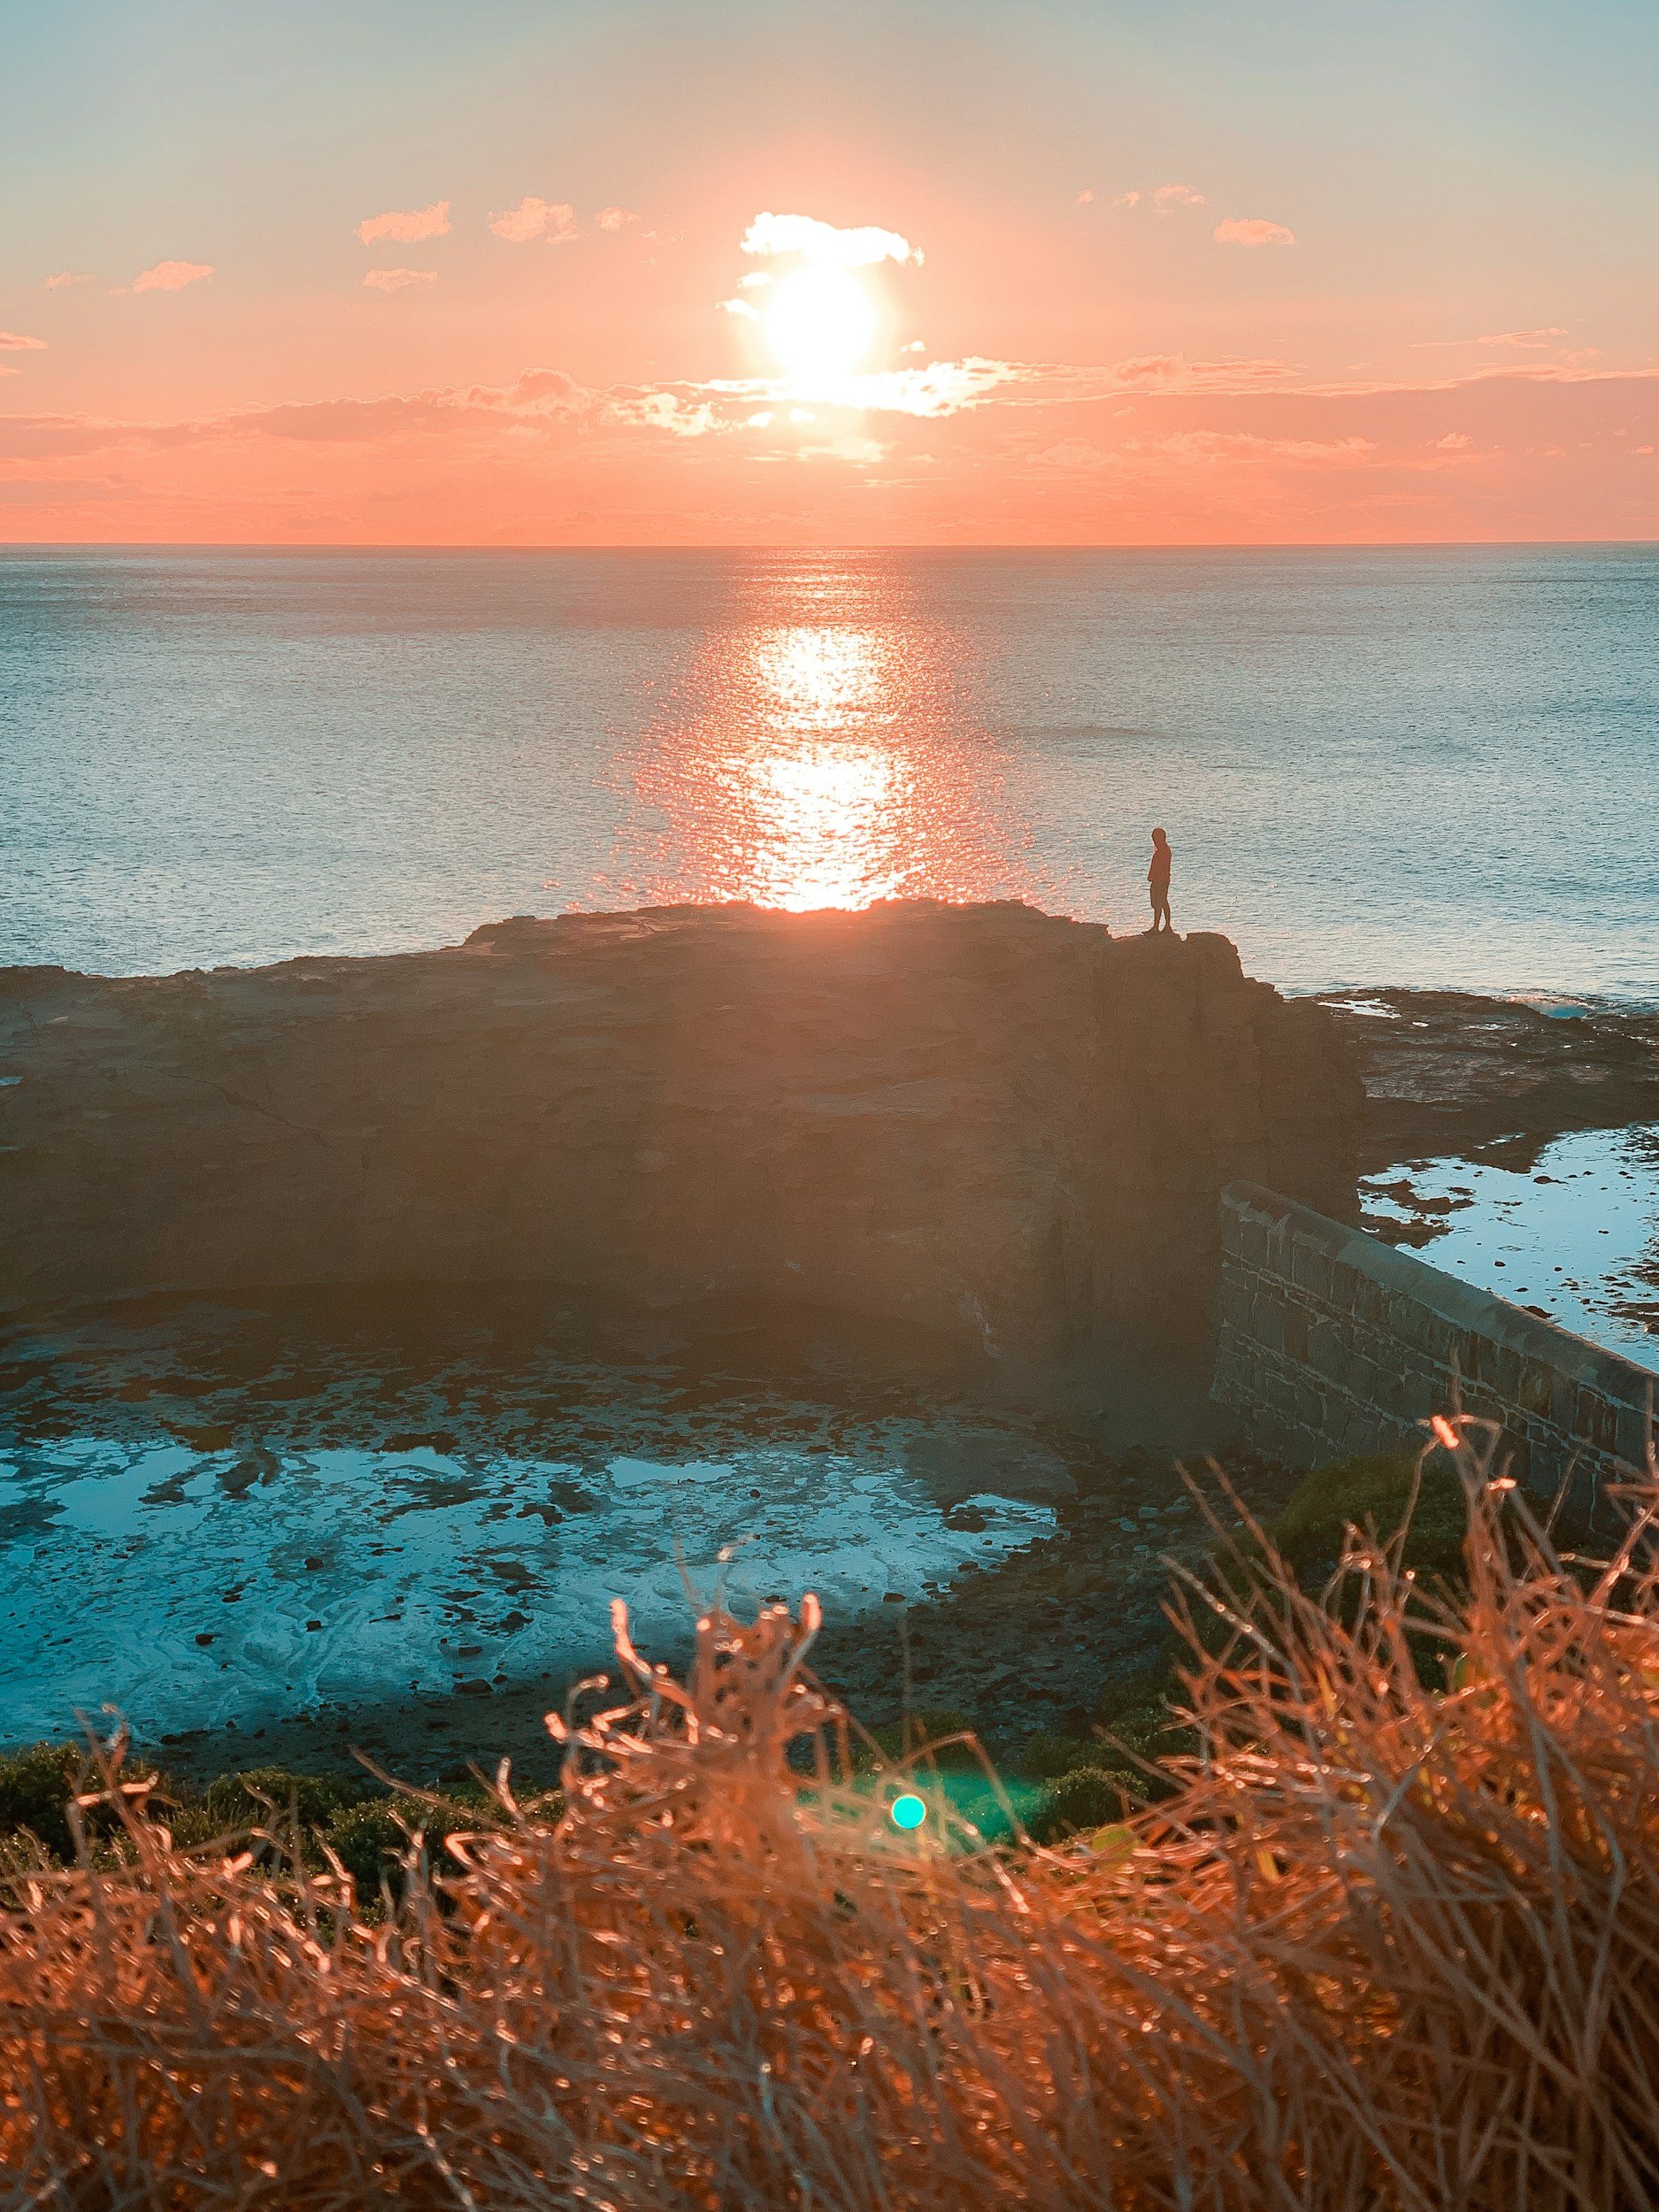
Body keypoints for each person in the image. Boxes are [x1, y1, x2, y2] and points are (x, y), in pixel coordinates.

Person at [1146, 826, 1173, 934]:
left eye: (1155, 839)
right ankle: (1159, 927)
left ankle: (1161, 927)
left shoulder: (1163, 851)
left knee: (1160, 902)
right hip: (1160, 880)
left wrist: (1153, 877)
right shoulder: (1163, 850)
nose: (1154, 841)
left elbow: (1160, 867)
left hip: (1160, 881)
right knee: (1160, 903)